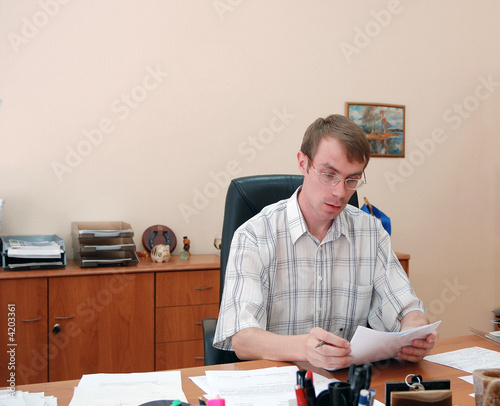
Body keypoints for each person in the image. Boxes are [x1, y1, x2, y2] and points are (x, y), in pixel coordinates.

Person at [213, 114, 438, 370]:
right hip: (281, 383)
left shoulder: (370, 232)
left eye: (352, 179)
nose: (340, 192)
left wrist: (414, 329)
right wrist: (304, 348)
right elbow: (243, 338)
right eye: (329, 175)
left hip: (348, 384)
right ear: (303, 163)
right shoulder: (254, 234)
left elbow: (404, 306)